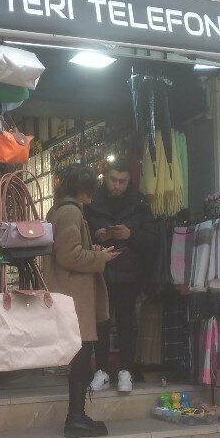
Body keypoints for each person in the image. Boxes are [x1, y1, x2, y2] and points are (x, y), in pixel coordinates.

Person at [45, 165, 121, 437]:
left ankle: (77, 415)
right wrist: (100, 258)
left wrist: (93, 252)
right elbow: (68, 256)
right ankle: (75, 417)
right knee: (80, 357)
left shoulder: (60, 211)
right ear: (81, 189)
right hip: (74, 297)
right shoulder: (70, 212)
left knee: (80, 356)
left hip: (71, 295)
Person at [85, 158, 156, 393]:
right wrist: (98, 236)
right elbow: (80, 235)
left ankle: (126, 370)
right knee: (101, 324)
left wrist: (130, 235)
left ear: (129, 181)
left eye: (122, 181)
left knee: (127, 323)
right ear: (105, 178)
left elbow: (151, 239)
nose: (117, 185)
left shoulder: (139, 203)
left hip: (129, 273)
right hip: (101, 273)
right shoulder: (92, 202)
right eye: (113, 180)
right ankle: (102, 370)